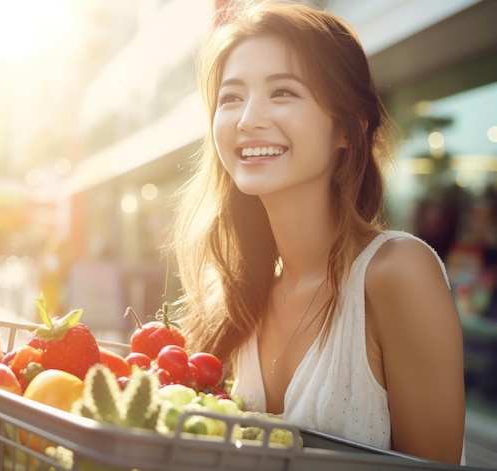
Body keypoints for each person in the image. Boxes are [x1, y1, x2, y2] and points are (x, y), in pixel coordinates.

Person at [166, 0, 466, 465]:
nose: (248, 119)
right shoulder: (230, 297)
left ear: (347, 127)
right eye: (231, 97)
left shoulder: (397, 273)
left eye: (282, 92)